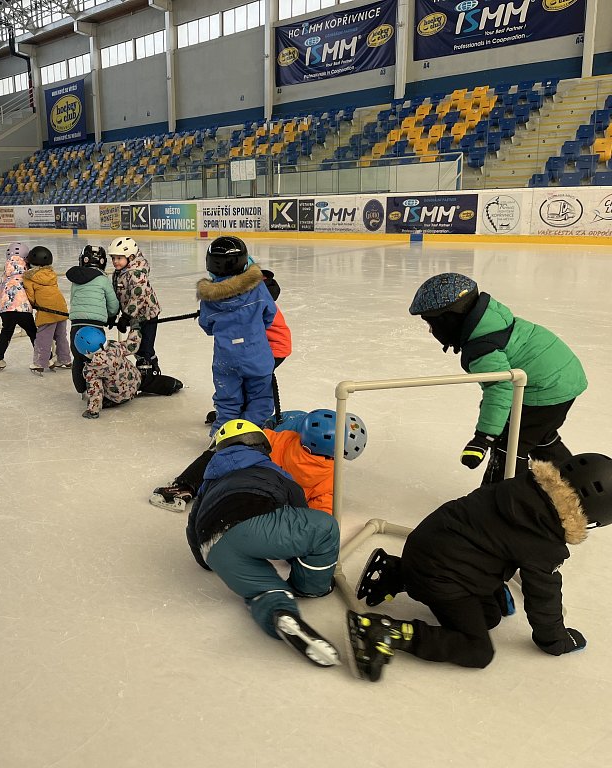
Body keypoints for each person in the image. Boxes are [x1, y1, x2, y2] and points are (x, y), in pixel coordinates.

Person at [347, 452, 612, 682]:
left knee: (489, 616)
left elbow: (489, 539)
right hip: (441, 575)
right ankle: (386, 632)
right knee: (477, 650)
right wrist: (556, 640)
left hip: (424, 546)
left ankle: (396, 573)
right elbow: (543, 597)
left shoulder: (521, 487)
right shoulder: (545, 540)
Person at [186, 419, 341, 667]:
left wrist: (206, 561)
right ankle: (310, 587)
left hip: (213, 547)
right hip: (255, 521)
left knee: (264, 590)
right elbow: (298, 506)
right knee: (324, 529)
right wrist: (293, 550)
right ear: (261, 446)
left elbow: (192, 527)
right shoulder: (270, 468)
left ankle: (279, 613)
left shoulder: (209, 482)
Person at [409, 272, 587, 485]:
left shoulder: (483, 347)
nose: (431, 331)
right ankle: (578, 485)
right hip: (564, 376)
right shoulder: (492, 319)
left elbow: (499, 390)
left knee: (509, 446)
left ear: (449, 319)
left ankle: (500, 498)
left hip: (546, 388)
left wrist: (483, 437)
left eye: (432, 324)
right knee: (538, 436)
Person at [151, 408, 368, 513]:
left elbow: (256, 437)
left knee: (221, 452)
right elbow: (322, 514)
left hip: (232, 481)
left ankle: (185, 485)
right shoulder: (330, 481)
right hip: (261, 505)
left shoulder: (285, 438)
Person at [197, 236, 277, 434]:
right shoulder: (258, 288)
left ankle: (222, 436)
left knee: (227, 400)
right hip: (257, 355)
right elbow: (269, 314)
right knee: (260, 398)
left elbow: (207, 325)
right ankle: (252, 433)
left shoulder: (208, 299)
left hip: (226, 358)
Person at [205, 268, 292, 426]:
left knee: (252, 384)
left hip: (270, 347)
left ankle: (243, 421)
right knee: (247, 380)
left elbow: (208, 325)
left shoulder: (255, 293)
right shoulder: (255, 292)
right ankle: (240, 418)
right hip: (258, 348)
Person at [75, 326, 183, 419]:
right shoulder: (115, 347)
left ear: (86, 352)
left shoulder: (91, 370)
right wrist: (135, 328)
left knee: (96, 397)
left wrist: (93, 411)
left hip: (118, 397)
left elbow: (95, 391)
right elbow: (132, 345)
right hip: (135, 381)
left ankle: (107, 402)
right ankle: (172, 384)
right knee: (150, 381)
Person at [66, 245, 119, 393]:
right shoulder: (103, 280)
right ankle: (96, 390)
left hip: (76, 324)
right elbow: (113, 304)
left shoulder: (76, 279)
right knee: (96, 357)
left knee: (78, 356)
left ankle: (81, 389)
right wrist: (111, 315)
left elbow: (73, 300)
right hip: (95, 326)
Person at [109, 236, 161, 379]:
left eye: (119, 258)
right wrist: (113, 314)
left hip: (147, 315)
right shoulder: (118, 273)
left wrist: (126, 316)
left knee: (144, 347)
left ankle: (148, 374)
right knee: (138, 347)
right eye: (113, 258)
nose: (115, 261)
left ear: (131, 257)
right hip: (133, 316)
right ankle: (151, 367)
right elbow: (118, 296)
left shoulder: (137, 274)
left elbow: (138, 297)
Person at [22, 245, 72, 375]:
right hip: (61, 308)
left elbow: (31, 297)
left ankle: (39, 363)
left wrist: (31, 304)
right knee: (61, 336)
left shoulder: (28, 277)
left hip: (46, 311)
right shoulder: (51, 274)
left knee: (43, 337)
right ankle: (65, 360)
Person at [0, 242, 37, 373]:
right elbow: (30, 289)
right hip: (23, 309)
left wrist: (2, 301)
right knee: (33, 332)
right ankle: (47, 358)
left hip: (6, 309)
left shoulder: (7, 272)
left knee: (6, 332)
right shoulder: (27, 271)